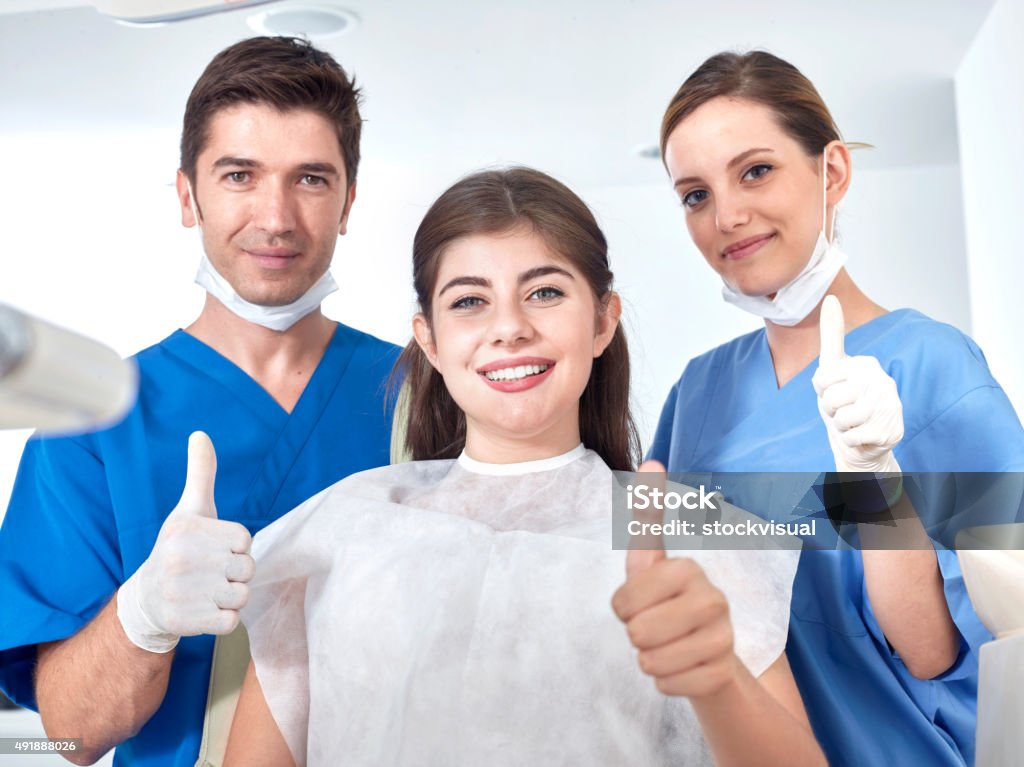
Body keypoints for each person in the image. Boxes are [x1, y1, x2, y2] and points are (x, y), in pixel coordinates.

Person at [222, 167, 826, 767]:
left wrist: (718, 679)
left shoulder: (680, 523)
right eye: (469, 302)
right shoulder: (346, 525)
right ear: (429, 340)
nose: (509, 327)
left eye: (545, 292)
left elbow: (895, 540)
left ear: (602, 320)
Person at [0, 37, 400, 766]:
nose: (275, 217)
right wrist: (142, 616)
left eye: (310, 178)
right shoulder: (90, 422)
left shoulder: (431, 394)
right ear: (188, 195)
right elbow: (67, 731)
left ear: (348, 202)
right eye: (239, 175)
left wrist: (672, 521)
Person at [649, 50, 1024, 766]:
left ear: (832, 173)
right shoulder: (694, 395)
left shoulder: (936, 368)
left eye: (755, 170)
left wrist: (874, 481)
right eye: (695, 195)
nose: (728, 215)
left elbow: (935, 651)